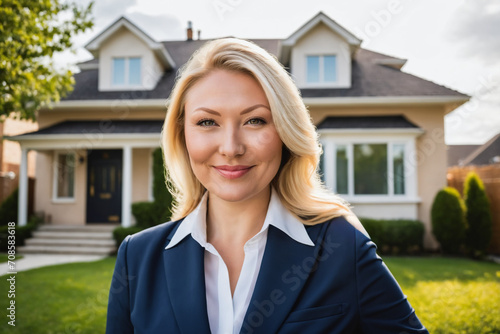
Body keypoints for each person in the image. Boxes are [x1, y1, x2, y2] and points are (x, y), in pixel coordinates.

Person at [106, 38, 428, 334]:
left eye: (255, 120)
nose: (231, 148)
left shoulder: (343, 247)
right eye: (207, 122)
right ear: (182, 135)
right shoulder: (137, 257)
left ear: (285, 132)